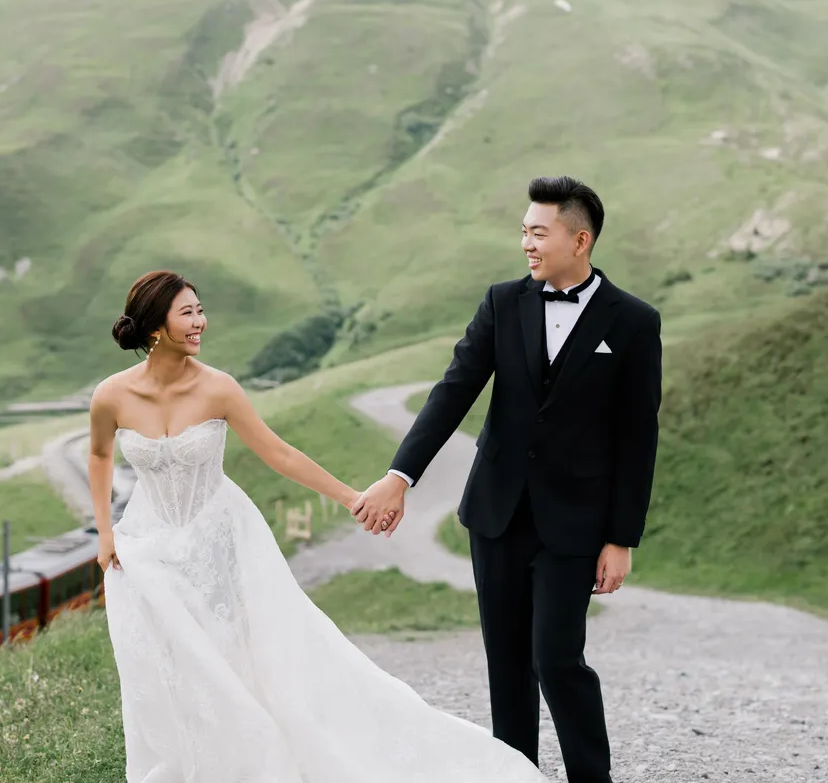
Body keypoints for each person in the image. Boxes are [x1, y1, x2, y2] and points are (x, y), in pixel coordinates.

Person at [88, 270, 547, 782]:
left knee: (238, 659)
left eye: (199, 310)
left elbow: (279, 453)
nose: (201, 321)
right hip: (147, 546)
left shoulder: (218, 388)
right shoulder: (111, 395)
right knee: (166, 667)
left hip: (219, 539)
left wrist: (352, 497)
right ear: (154, 327)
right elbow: (100, 455)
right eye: (188, 313)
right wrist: (106, 534)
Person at [351, 176, 662, 783]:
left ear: (581, 238)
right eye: (523, 230)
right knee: (508, 665)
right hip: (496, 514)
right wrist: (401, 475)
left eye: (538, 232)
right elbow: (453, 390)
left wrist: (622, 538)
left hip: (576, 524)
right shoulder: (502, 302)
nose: (526, 242)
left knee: (555, 659)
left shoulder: (633, 322)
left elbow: (637, 438)